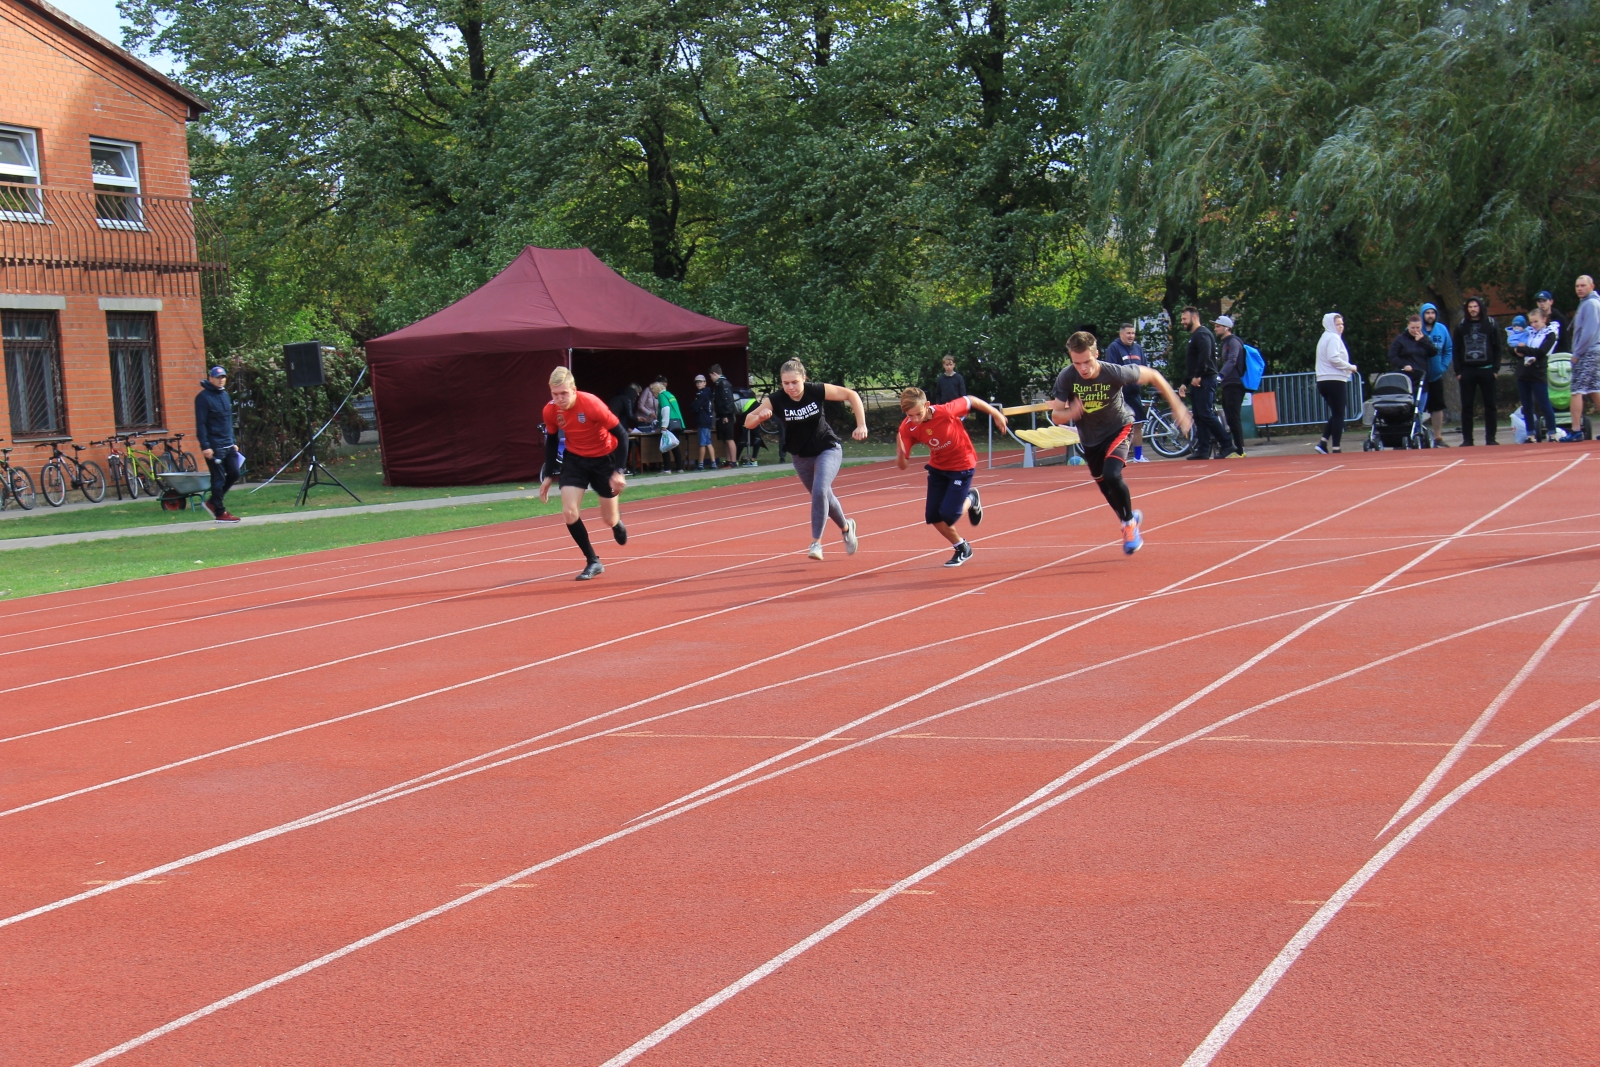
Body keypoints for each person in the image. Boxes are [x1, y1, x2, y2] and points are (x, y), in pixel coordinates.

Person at [1049, 331, 1192, 554]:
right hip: (1090, 438)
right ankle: (1130, 517)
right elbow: (1056, 416)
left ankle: (1128, 525)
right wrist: (1071, 412)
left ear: (1096, 354)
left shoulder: (1113, 372)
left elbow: (1153, 375)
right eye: (1077, 363)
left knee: (1113, 474)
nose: (1083, 368)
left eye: (1087, 361)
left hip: (1118, 427)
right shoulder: (1067, 377)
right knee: (1105, 486)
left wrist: (1178, 407)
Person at [743, 359, 868, 560]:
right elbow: (748, 421)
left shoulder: (815, 391)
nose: (790, 387)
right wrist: (759, 417)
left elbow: (851, 395)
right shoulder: (776, 400)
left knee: (820, 490)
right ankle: (846, 527)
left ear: (804, 378)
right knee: (823, 495)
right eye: (786, 383)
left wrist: (861, 425)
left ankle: (816, 543)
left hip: (827, 448)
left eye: (794, 382)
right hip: (800, 456)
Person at [895, 387, 1008, 567]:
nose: (915, 419)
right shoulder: (907, 428)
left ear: (927, 405)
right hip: (938, 468)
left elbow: (971, 399)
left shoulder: (945, 411)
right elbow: (902, 466)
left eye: (918, 414)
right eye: (910, 415)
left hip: (962, 465)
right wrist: (901, 453)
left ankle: (971, 498)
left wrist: (996, 414)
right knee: (933, 516)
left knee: (949, 515)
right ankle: (962, 547)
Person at [538, 366, 629, 580]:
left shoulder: (591, 404)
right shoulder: (550, 410)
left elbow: (622, 435)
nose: (559, 399)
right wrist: (549, 475)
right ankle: (593, 560)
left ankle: (616, 522)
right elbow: (551, 440)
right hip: (575, 460)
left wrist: (619, 471)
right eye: (555, 394)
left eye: (564, 393)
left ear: (574, 390)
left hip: (603, 460)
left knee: (608, 518)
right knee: (569, 513)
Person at [1177, 306, 1233, 459]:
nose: (1182, 322)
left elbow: (1205, 357)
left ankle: (1227, 443)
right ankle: (1203, 448)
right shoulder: (1196, 335)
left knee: (1206, 413)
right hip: (1199, 379)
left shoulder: (1202, 334)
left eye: (1184, 319)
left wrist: (1198, 375)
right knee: (1200, 416)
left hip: (1205, 380)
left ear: (1194, 318)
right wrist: (1185, 382)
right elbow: (1193, 362)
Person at [1452, 295, 1504, 445]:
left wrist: (1495, 369)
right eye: (1470, 307)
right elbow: (1456, 349)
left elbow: (1498, 347)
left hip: (1487, 370)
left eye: (1475, 306)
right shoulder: (1461, 325)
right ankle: (1467, 439)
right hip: (1467, 371)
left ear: (1480, 307)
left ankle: (1491, 438)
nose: (1473, 310)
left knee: (1490, 406)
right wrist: (1458, 372)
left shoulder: (1491, 324)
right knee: (1467, 406)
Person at [194, 365, 242, 522]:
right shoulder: (203, 398)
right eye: (217, 377)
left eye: (223, 377)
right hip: (214, 445)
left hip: (228, 443)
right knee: (218, 478)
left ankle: (213, 501)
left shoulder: (225, 395)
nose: (221, 380)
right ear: (210, 378)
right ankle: (220, 512)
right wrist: (205, 446)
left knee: (235, 473)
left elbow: (228, 420)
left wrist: (233, 441)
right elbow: (201, 424)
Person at [1101, 323, 1149, 461]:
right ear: (1121, 334)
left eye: (1133, 333)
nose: (1131, 336)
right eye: (1128, 333)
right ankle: (1115, 456)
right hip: (1120, 394)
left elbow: (1143, 367)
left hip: (1135, 393)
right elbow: (1112, 370)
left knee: (1138, 424)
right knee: (1121, 427)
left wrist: (1142, 378)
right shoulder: (1114, 348)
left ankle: (1139, 456)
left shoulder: (1138, 348)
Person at [1515, 307, 1559, 442]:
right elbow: (1514, 347)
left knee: (1544, 403)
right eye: (1531, 322)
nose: (1533, 325)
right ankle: (1530, 434)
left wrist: (1524, 350)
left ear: (1544, 319)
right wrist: (1518, 349)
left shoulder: (1550, 333)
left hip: (1538, 372)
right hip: (1523, 373)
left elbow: (1541, 352)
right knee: (1527, 406)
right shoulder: (1527, 333)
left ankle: (1552, 433)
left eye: (1536, 322)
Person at [1315, 312, 1356, 454]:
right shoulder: (1333, 338)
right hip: (1334, 379)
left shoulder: (1324, 337)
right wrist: (1350, 366)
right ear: (1331, 325)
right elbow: (1333, 358)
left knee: (1336, 412)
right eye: (1337, 324)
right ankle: (1336, 447)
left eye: (1342, 324)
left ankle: (1323, 441)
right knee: (1339, 414)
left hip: (1323, 380)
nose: (1340, 327)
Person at [1569, 275, 1600, 441]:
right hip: (1592, 351)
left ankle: (1576, 430)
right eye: (1577, 286)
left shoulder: (1591, 304)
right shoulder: (1586, 303)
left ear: (1591, 286)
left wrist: (1577, 354)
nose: (1579, 288)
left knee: (1576, 390)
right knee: (1594, 389)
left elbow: (1589, 332)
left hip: (1588, 352)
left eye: (1582, 285)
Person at [1214, 314, 1248, 458]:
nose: (1215, 328)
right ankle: (1237, 449)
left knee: (1233, 417)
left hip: (1234, 383)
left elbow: (1232, 360)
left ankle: (1240, 450)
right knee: (1230, 417)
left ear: (1227, 328)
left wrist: (1221, 375)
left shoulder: (1233, 342)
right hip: (1229, 383)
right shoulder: (1225, 342)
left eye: (1218, 326)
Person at [1420, 302, 1453, 447]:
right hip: (1419, 376)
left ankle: (1438, 437)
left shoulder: (1441, 329)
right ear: (1422, 314)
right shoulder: (1416, 328)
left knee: (1437, 406)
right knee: (1417, 407)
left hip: (1436, 374)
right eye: (1427, 313)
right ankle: (1417, 435)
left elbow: (1448, 349)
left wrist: (1443, 366)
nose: (1430, 315)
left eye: (1432, 313)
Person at [1387, 312, 1436, 394]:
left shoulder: (1425, 338)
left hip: (1422, 378)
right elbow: (1392, 356)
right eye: (1412, 328)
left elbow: (1433, 352)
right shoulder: (1400, 339)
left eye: (1418, 327)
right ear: (1408, 326)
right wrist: (1404, 365)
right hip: (1406, 378)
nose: (1415, 330)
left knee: (1420, 405)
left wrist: (1423, 340)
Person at [652, 377, 687, 471]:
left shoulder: (662, 395)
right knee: (675, 445)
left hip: (669, 424)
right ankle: (679, 468)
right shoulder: (669, 394)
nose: (653, 395)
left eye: (653, 392)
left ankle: (667, 469)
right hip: (677, 422)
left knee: (665, 446)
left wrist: (663, 425)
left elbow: (665, 409)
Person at [709, 364, 740, 468]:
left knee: (729, 438)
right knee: (724, 439)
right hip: (721, 414)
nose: (711, 379)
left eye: (711, 376)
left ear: (714, 374)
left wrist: (726, 415)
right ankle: (728, 460)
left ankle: (733, 461)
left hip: (726, 415)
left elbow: (727, 400)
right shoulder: (719, 384)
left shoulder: (724, 384)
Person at [691, 373, 716, 469]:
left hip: (703, 420)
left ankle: (701, 464)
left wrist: (697, 406)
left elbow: (694, 407)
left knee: (702, 443)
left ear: (705, 382)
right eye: (697, 382)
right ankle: (713, 463)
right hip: (707, 420)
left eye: (700, 382)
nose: (698, 384)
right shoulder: (708, 393)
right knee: (708, 442)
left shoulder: (702, 394)